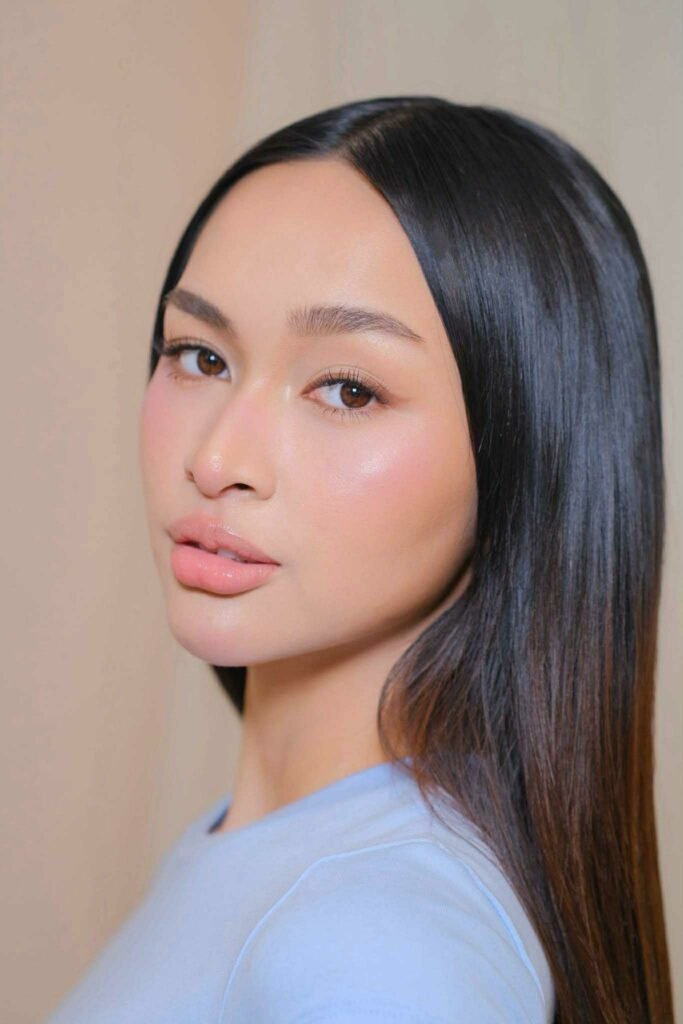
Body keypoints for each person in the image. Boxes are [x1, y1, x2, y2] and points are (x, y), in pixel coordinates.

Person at [44, 96, 673, 1023]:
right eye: (201, 356)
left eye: (346, 389)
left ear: (523, 455)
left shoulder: (383, 948)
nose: (215, 459)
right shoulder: (278, 856)